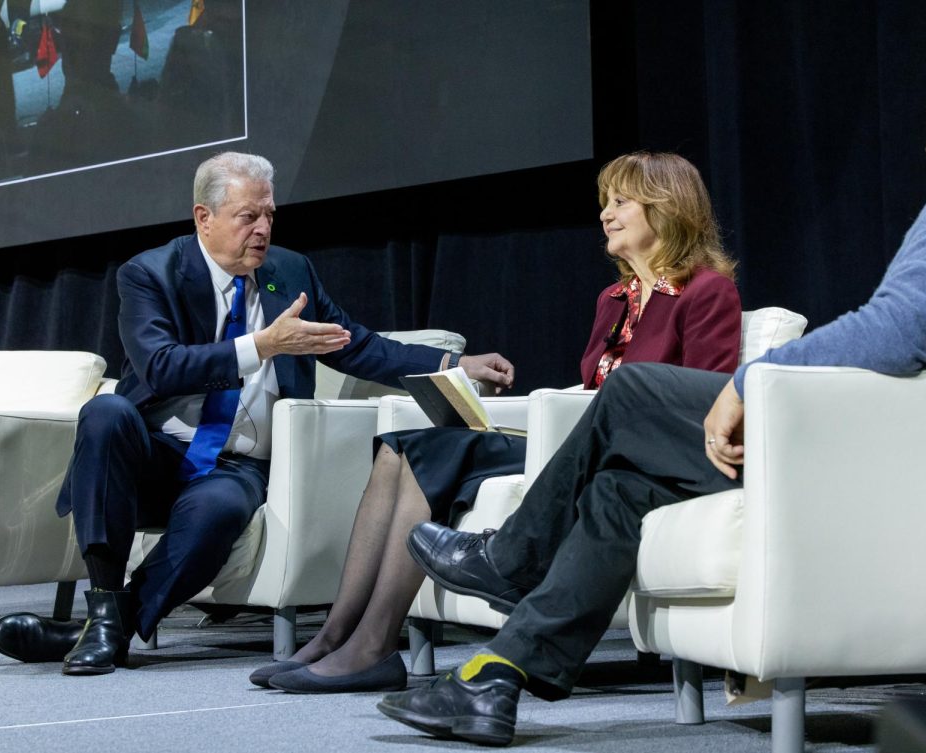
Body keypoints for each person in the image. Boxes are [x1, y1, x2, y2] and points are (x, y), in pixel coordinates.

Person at [382, 55, 926, 746]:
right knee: (622, 490)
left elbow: (895, 333)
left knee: (632, 390)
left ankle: (512, 555)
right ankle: (495, 678)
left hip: (894, 461)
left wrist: (754, 379)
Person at [0, 151, 514, 675]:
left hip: (237, 466)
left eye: (269, 215)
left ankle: (105, 628)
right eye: (248, 217)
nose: (263, 229)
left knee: (217, 511)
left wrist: (454, 363)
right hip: (156, 451)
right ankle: (102, 602)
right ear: (204, 219)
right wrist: (260, 346)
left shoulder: (289, 270)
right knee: (105, 412)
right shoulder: (149, 274)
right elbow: (161, 368)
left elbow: (356, 344)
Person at [247, 151, 745, 693]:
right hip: (581, 440)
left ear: (666, 206)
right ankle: (337, 634)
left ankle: (373, 645)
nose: (605, 214)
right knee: (399, 444)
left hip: (634, 453)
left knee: (432, 451)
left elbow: (700, 401)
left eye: (621, 201)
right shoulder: (615, 299)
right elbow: (590, 393)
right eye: (604, 202)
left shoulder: (706, 291)